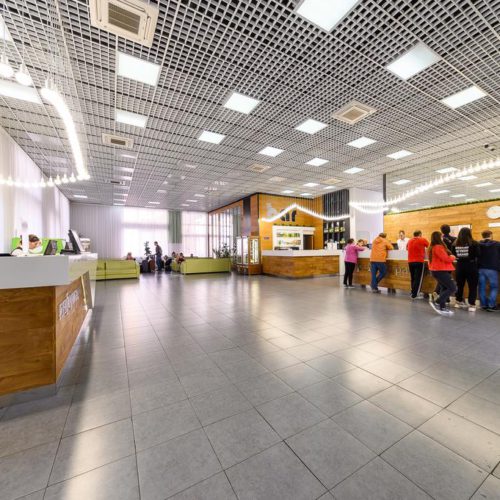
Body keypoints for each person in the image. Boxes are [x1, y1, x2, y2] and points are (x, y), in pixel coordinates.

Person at [428, 231, 457, 316]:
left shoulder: (432, 247)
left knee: (444, 287)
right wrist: (452, 257)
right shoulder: (438, 247)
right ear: (438, 238)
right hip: (440, 270)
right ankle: (438, 301)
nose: (442, 238)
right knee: (453, 288)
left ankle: (442, 307)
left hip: (436, 270)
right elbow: (446, 259)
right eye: (441, 237)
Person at [452, 227, 480, 312]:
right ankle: (472, 305)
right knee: (472, 286)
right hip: (471, 266)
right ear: (469, 233)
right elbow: (478, 254)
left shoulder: (455, 243)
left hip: (459, 266)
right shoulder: (474, 243)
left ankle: (458, 301)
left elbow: (453, 254)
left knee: (459, 285)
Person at [477, 230, 499, 311]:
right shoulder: (497, 244)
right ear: (491, 235)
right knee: (494, 287)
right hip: (492, 268)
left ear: (482, 236)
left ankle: (483, 305)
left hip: (480, 268)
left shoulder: (478, 244)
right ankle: (491, 305)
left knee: (481, 287)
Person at [407, 230, 429, 299]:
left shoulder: (409, 240)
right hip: (419, 261)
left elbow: (407, 248)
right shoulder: (422, 239)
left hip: (410, 261)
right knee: (417, 278)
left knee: (413, 277)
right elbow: (429, 246)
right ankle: (415, 295)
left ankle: (412, 292)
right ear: (420, 234)